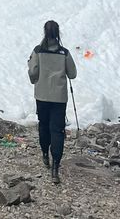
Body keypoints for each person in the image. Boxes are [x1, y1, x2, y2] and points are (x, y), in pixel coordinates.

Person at [27, 19, 77, 184]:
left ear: (45, 32)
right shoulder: (64, 53)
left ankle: (44, 153)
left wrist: (35, 79)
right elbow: (73, 74)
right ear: (58, 33)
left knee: (43, 125)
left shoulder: (38, 51)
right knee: (57, 130)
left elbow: (33, 72)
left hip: (42, 95)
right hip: (59, 98)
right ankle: (56, 166)